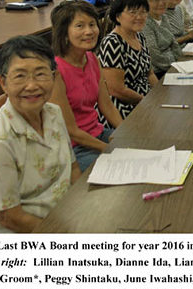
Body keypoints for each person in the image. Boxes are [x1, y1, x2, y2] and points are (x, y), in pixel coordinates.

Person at [0, 36, 80, 233]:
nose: (31, 86)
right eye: (20, 76)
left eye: (40, 74)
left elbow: (72, 169)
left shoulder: (54, 113)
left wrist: (81, 209)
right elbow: (10, 218)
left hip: (62, 214)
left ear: (54, 78)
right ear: (3, 83)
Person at [50, 0, 124, 172]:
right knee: (116, 168)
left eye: (92, 24)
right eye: (80, 26)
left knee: (139, 146)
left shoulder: (92, 58)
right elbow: (71, 130)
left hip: (96, 133)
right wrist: (108, 149)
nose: (89, 31)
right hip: (73, 147)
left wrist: (124, 134)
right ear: (64, 33)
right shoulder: (56, 71)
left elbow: (107, 106)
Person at [99, 0, 158, 119]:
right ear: (118, 16)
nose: (139, 17)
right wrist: (147, 101)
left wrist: (158, 95)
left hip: (146, 100)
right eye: (133, 12)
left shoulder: (139, 36)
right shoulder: (112, 43)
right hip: (123, 108)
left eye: (143, 12)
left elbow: (149, 73)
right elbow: (116, 90)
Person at [143, 0, 183, 78]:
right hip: (158, 73)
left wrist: (181, 61)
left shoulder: (164, 17)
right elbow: (154, 56)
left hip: (174, 66)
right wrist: (176, 66)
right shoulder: (144, 22)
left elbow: (174, 44)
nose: (161, 3)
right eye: (155, 1)